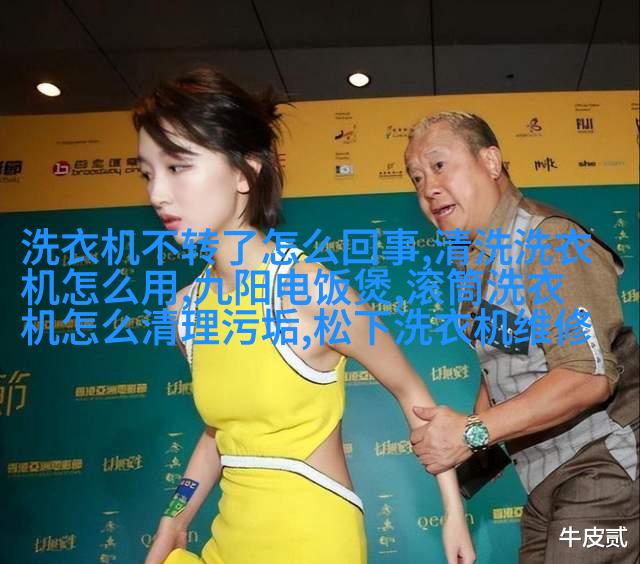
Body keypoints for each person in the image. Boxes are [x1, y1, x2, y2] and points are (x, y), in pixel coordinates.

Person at [135, 68, 475, 564]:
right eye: (147, 173)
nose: (157, 194)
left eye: (177, 167)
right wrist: (175, 517)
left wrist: (453, 512)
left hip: (314, 539)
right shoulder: (185, 309)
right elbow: (219, 433)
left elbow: (411, 393)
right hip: (227, 543)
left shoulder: (312, 291)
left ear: (244, 172)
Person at [404, 111, 639, 563]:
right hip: (547, 481)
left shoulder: (548, 242)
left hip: (605, 471)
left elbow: (586, 376)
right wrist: (463, 455)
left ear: (491, 162)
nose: (428, 187)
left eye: (439, 165)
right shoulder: (475, 261)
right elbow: (504, 367)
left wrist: (471, 432)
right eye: (417, 178)